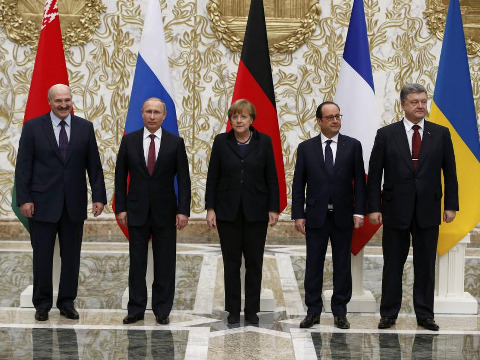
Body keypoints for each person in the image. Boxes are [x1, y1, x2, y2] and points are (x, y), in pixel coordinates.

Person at [367, 83, 458, 331]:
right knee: (393, 264)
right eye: (415, 102)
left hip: (428, 210)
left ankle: (425, 315)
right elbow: (374, 175)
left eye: (423, 101)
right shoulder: (386, 134)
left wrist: (451, 206)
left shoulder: (440, 133)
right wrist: (373, 207)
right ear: (403, 105)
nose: (420, 106)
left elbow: (450, 173)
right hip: (395, 209)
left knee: (426, 265)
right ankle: (388, 313)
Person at [15, 83, 107, 321]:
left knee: (72, 256)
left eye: (67, 100)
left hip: (73, 205)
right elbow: (23, 167)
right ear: (50, 102)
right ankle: (42, 304)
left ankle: (67, 302)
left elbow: (94, 166)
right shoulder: (33, 127)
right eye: (59, 101)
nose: (64, 105)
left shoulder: (85, 128)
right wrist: (24, 199)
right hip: (41, 204)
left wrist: (99, 197)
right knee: (42, 256)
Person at [115, 97, 191, 325]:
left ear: (164, 116)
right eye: (148, 111)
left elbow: (184, 180)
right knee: (137, 262)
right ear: (142, 113)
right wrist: (120, 208)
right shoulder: (129, 141)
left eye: (156, 112)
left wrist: (183, 210)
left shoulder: (175, 142)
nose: (152, 116)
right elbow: (120, 177)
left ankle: (162, 309)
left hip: (166, 211)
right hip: (136, 210)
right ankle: (136, 308)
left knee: (165, 262)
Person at [291, 101, 366, 329]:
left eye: (338, 116)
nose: (335, 120)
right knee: (314, 265)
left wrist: (359, 211)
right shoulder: (306, 148)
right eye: (330, 117)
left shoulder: (352, 146)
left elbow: (360, 184)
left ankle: (340, 312)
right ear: (320, 121)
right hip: (315, 216)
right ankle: (313, 311)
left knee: (342, 265)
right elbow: (298, 184)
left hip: (343, 215)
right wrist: (298, 215)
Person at [205, 99, 280, 325]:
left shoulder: (264, 142)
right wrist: (210, 208)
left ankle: (252, 311)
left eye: (244, 116)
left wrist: (273, 208)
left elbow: (271, 177)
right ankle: (233, 310)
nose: (239, 120)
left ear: (251, 120)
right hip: (228, 212)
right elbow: (213, 177)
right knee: (231, 263)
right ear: (230, 119)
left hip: (256, 211)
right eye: (235, 116)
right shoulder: (221, 141)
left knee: (254, 263)